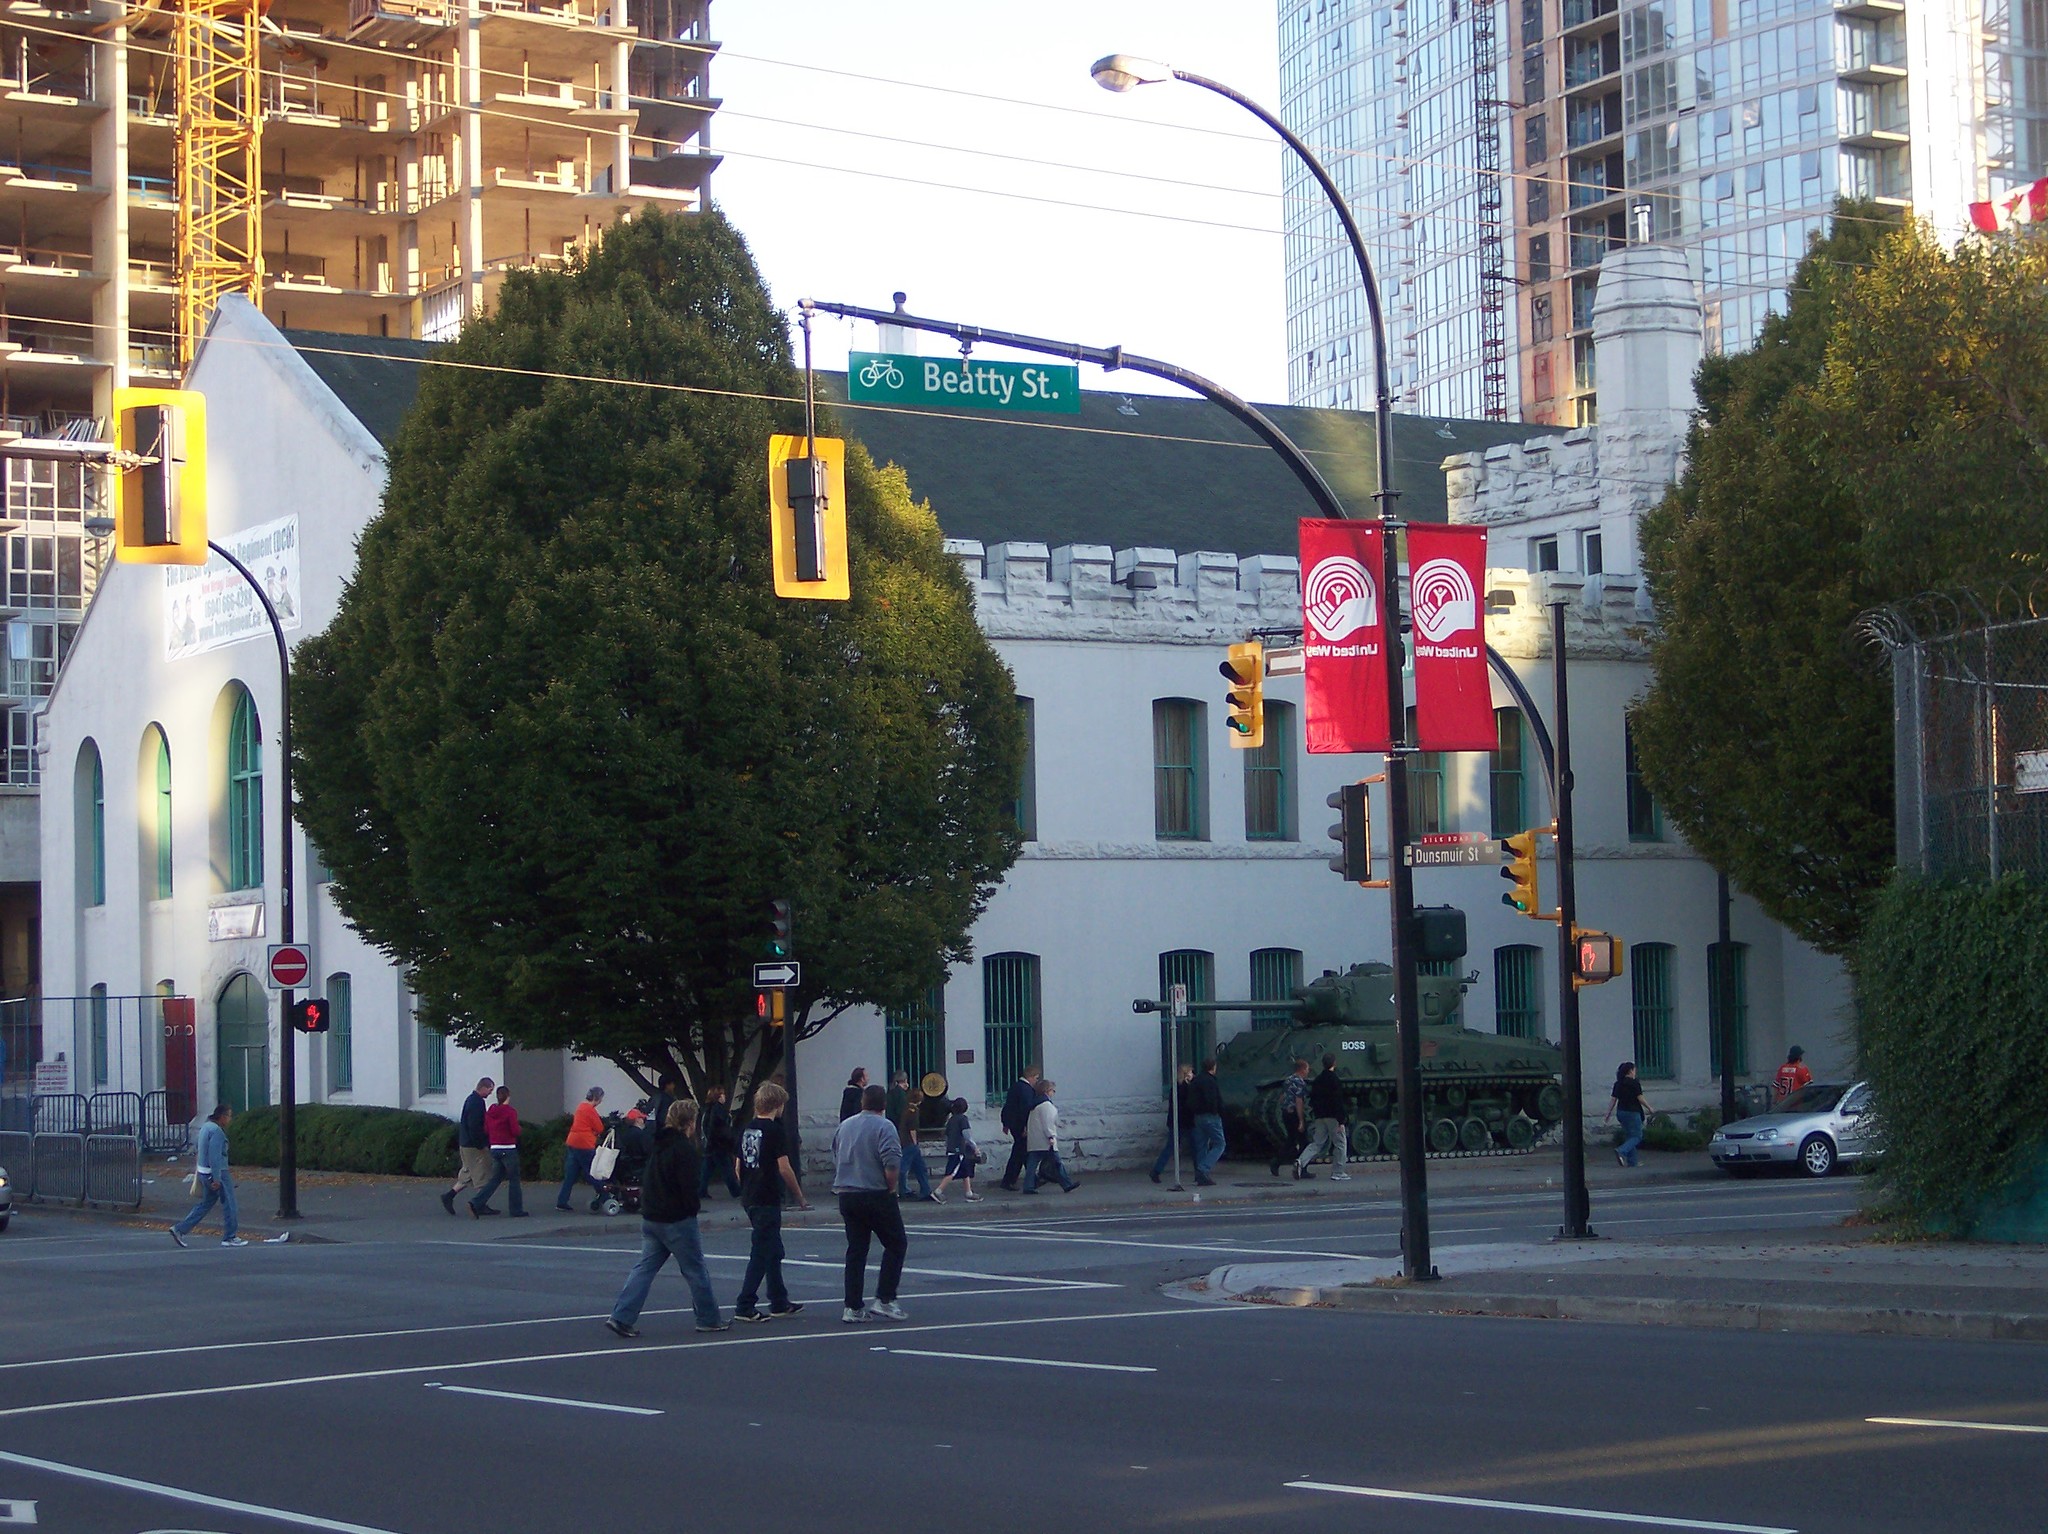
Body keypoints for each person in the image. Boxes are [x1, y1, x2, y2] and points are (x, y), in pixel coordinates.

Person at [605, 1100, 726, 1338]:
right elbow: (688, 1187)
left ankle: (621, 1316)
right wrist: (692, 1208)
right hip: (676, 1218)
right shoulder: (684, 1150)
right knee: (695, 1270)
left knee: (645, 1267)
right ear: (690, 1123)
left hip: (652, 1216)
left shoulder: (657, 1144)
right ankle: (708, 1318)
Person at [832, 1082, 909, 1323]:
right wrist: (891, 1187)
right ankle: (885, 1298)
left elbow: (835, 1154)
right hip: (874, 1192)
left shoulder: (845, 1126)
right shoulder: (885, 1127)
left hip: (847, 1192)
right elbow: (892, 1162)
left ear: (862, 1102)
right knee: (896, 1243)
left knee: (856, 1250)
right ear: (884, 1105)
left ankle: (852, 1306)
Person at [732, 1082, 809, 1323]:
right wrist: (799, 1196)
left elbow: (737, 1166)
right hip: (767, 1195)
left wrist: (746, 1185)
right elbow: (784, 1168)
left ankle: (779, 1299)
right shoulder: (775, 1131)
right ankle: (745, 1303)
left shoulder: (747, 1129)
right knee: (762, 1251)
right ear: (777, 1105)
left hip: (750, 1195)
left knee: (773, 1249)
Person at [170, 1104, 244, 1248]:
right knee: (230, 1204)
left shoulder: (205, 1127)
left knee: (206, 1203)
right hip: (218, 1173)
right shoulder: (217, 1132)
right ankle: (230, 1236)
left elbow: (201, 1150)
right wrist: (216, 1178)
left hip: (203, 1172)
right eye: (229, 1116)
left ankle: (180, 1229)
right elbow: (215, 1156)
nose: (230, 1119)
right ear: (222, 1117)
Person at [469, 1086, 527, 1218]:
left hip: (494, 1148)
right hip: (508, 1148)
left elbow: (486, 1129)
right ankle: (516, 1209)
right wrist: (519, 1129)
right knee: (514, 1179)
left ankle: (476, 1202)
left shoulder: (491, 1111)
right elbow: (515, 1131)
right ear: (508, 1096)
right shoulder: (510, 1112)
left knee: (495, 1179)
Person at [441, 1075, 495, 1215]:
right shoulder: (477, 1103)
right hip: (473, 1145)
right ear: (482, 1087)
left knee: (468, 1173)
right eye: (489, 1090)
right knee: (482, 1172)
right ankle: (479, 1204)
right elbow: (475, 1126)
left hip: (465, 1143)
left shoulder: (471, 1100)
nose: (490, 1093)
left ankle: (449, 1196)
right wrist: (481, 1144)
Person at [1296, 1054, 1352, 1181]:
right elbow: (1337, 1100)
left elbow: (1313, 1099)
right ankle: (1338, 1172)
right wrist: (1341, 1120)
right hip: (1333, 1116)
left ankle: (1300, 1161)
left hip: (1320, 1116)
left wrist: (1317, 1114)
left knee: (1317, 1143)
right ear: (1334, 1063)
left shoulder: (1318, 1079)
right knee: (1340, 1143)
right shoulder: (1335, 1080)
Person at [1021, 1080, 1079, 1193]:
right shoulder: (1046, 1106)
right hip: (1045, 1141)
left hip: (1035, 1141)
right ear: (1047, 1091)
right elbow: (1048, 1123)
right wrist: (1051, 1136)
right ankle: (1067, 1184)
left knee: (1032, 1165)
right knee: (1057, 1163)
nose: (1053, 1093)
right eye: (1053, 1090)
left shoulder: (1035, 1105)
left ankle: (1028, 1186)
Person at [558, 1086, 609, 1212]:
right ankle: (604, 1195)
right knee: (592, 1171)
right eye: (601, 1099)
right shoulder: (589, 1109)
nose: (601, 1102)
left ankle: (562, 1201)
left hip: (572, 1141)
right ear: (597, 1098)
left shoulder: (580, 1106)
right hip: (584, 1143)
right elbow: (600, 1127)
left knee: (570, 1174)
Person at [886, 1070, 935, 1202]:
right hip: (909, 1142)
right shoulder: (911, 1109)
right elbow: (912, 1128)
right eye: (904, 1081)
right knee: (905, 1167)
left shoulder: (892, 1094)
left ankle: (924, 1190)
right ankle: (904, 1190)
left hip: (901, 1137)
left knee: (920, 1167)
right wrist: (915, 1143)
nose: (906, 1084)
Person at [998, 1064, 1043, 1191]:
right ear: (1030, 1077)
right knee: (1020, 1153)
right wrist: (1026, 1127)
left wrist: (1006, 1124)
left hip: (1013, 1124)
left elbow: (1008, 1107)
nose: (1036, 1081)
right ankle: (1011, 1180)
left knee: (1022, 1153)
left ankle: (1030, 1179)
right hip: (1021, 1126)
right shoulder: (1026, 1090)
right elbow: (1025, 1110)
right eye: (1036, 1078)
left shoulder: (1016, 1087)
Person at [1152, 1063, 1196, 1184]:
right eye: (1191, 1073)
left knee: (1170, 1147)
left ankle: (1156, 1170)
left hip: (1176, 1121)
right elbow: (1189, 1105)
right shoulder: (1186, 1088)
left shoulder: (1175, 1087)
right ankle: (1200, 1173)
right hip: (1186, 1122)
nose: (1193, 1075)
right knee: (1195, 1147)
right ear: (1186, 1075)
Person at [1271, 1057, 1314, 1178]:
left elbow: (1282, 1097)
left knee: (1290, 1140)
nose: (1308, 1072)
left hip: (1286, 1113)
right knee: (1304, 1142)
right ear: (1302, 1069)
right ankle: (1302, 1168)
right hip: (1295, 1113)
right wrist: (1301, 1120)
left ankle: (1277, 1162)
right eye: (1307, 1069)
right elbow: (1299, 1101)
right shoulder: (1300, 1082)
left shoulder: (1288, 1080)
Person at [934, 1096, 982, 1203]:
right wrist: (975, 1148)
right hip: (958, 1150)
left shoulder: (951, 1120)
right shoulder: (963, 1119)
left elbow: (946, 1135)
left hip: (953, 1149)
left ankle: (968, 1192)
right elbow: (967, 1136)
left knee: (965, 1171)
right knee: (952, 1172)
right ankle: (938, 1191)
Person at [697, 1086, 742, 1198]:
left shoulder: (708, 1109)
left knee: (707, 1168)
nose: (724, 1096)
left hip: (711, 1144)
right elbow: (720, 1127)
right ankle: (735, 1191)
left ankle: (701, 1190)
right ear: (718, 1096)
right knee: (726, 1168)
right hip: (719, 1144)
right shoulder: (718, 1109)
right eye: (722, 1094)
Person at [1605, 1061, 1650, 1168]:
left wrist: (1608, 1114)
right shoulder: (1634, 1083)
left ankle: (1632, 1162)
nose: (1635, 1073)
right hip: (1633, 1112)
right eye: (1634, 1070)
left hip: (1621, 1112)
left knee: (1630, 1136)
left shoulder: (1618, 1083)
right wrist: (1649, 1107)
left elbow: (1613, 1100)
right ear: (1630, 1071)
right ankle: (1621, 1151)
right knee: (1637, 1137)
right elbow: (1640, 1098)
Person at [1188, 1057, 1225, 1186]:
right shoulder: (1211, 1081)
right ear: (1213, 1067)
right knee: (1220, 1144)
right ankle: (1203, 1168)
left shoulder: (1196, 1080)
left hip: (1198, 1116)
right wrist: (1218, 1110)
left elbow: (1191, 1099)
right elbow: (1214, 1099)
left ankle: (1200, 1176)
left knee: (1201, 1146)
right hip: (1211, 1116)